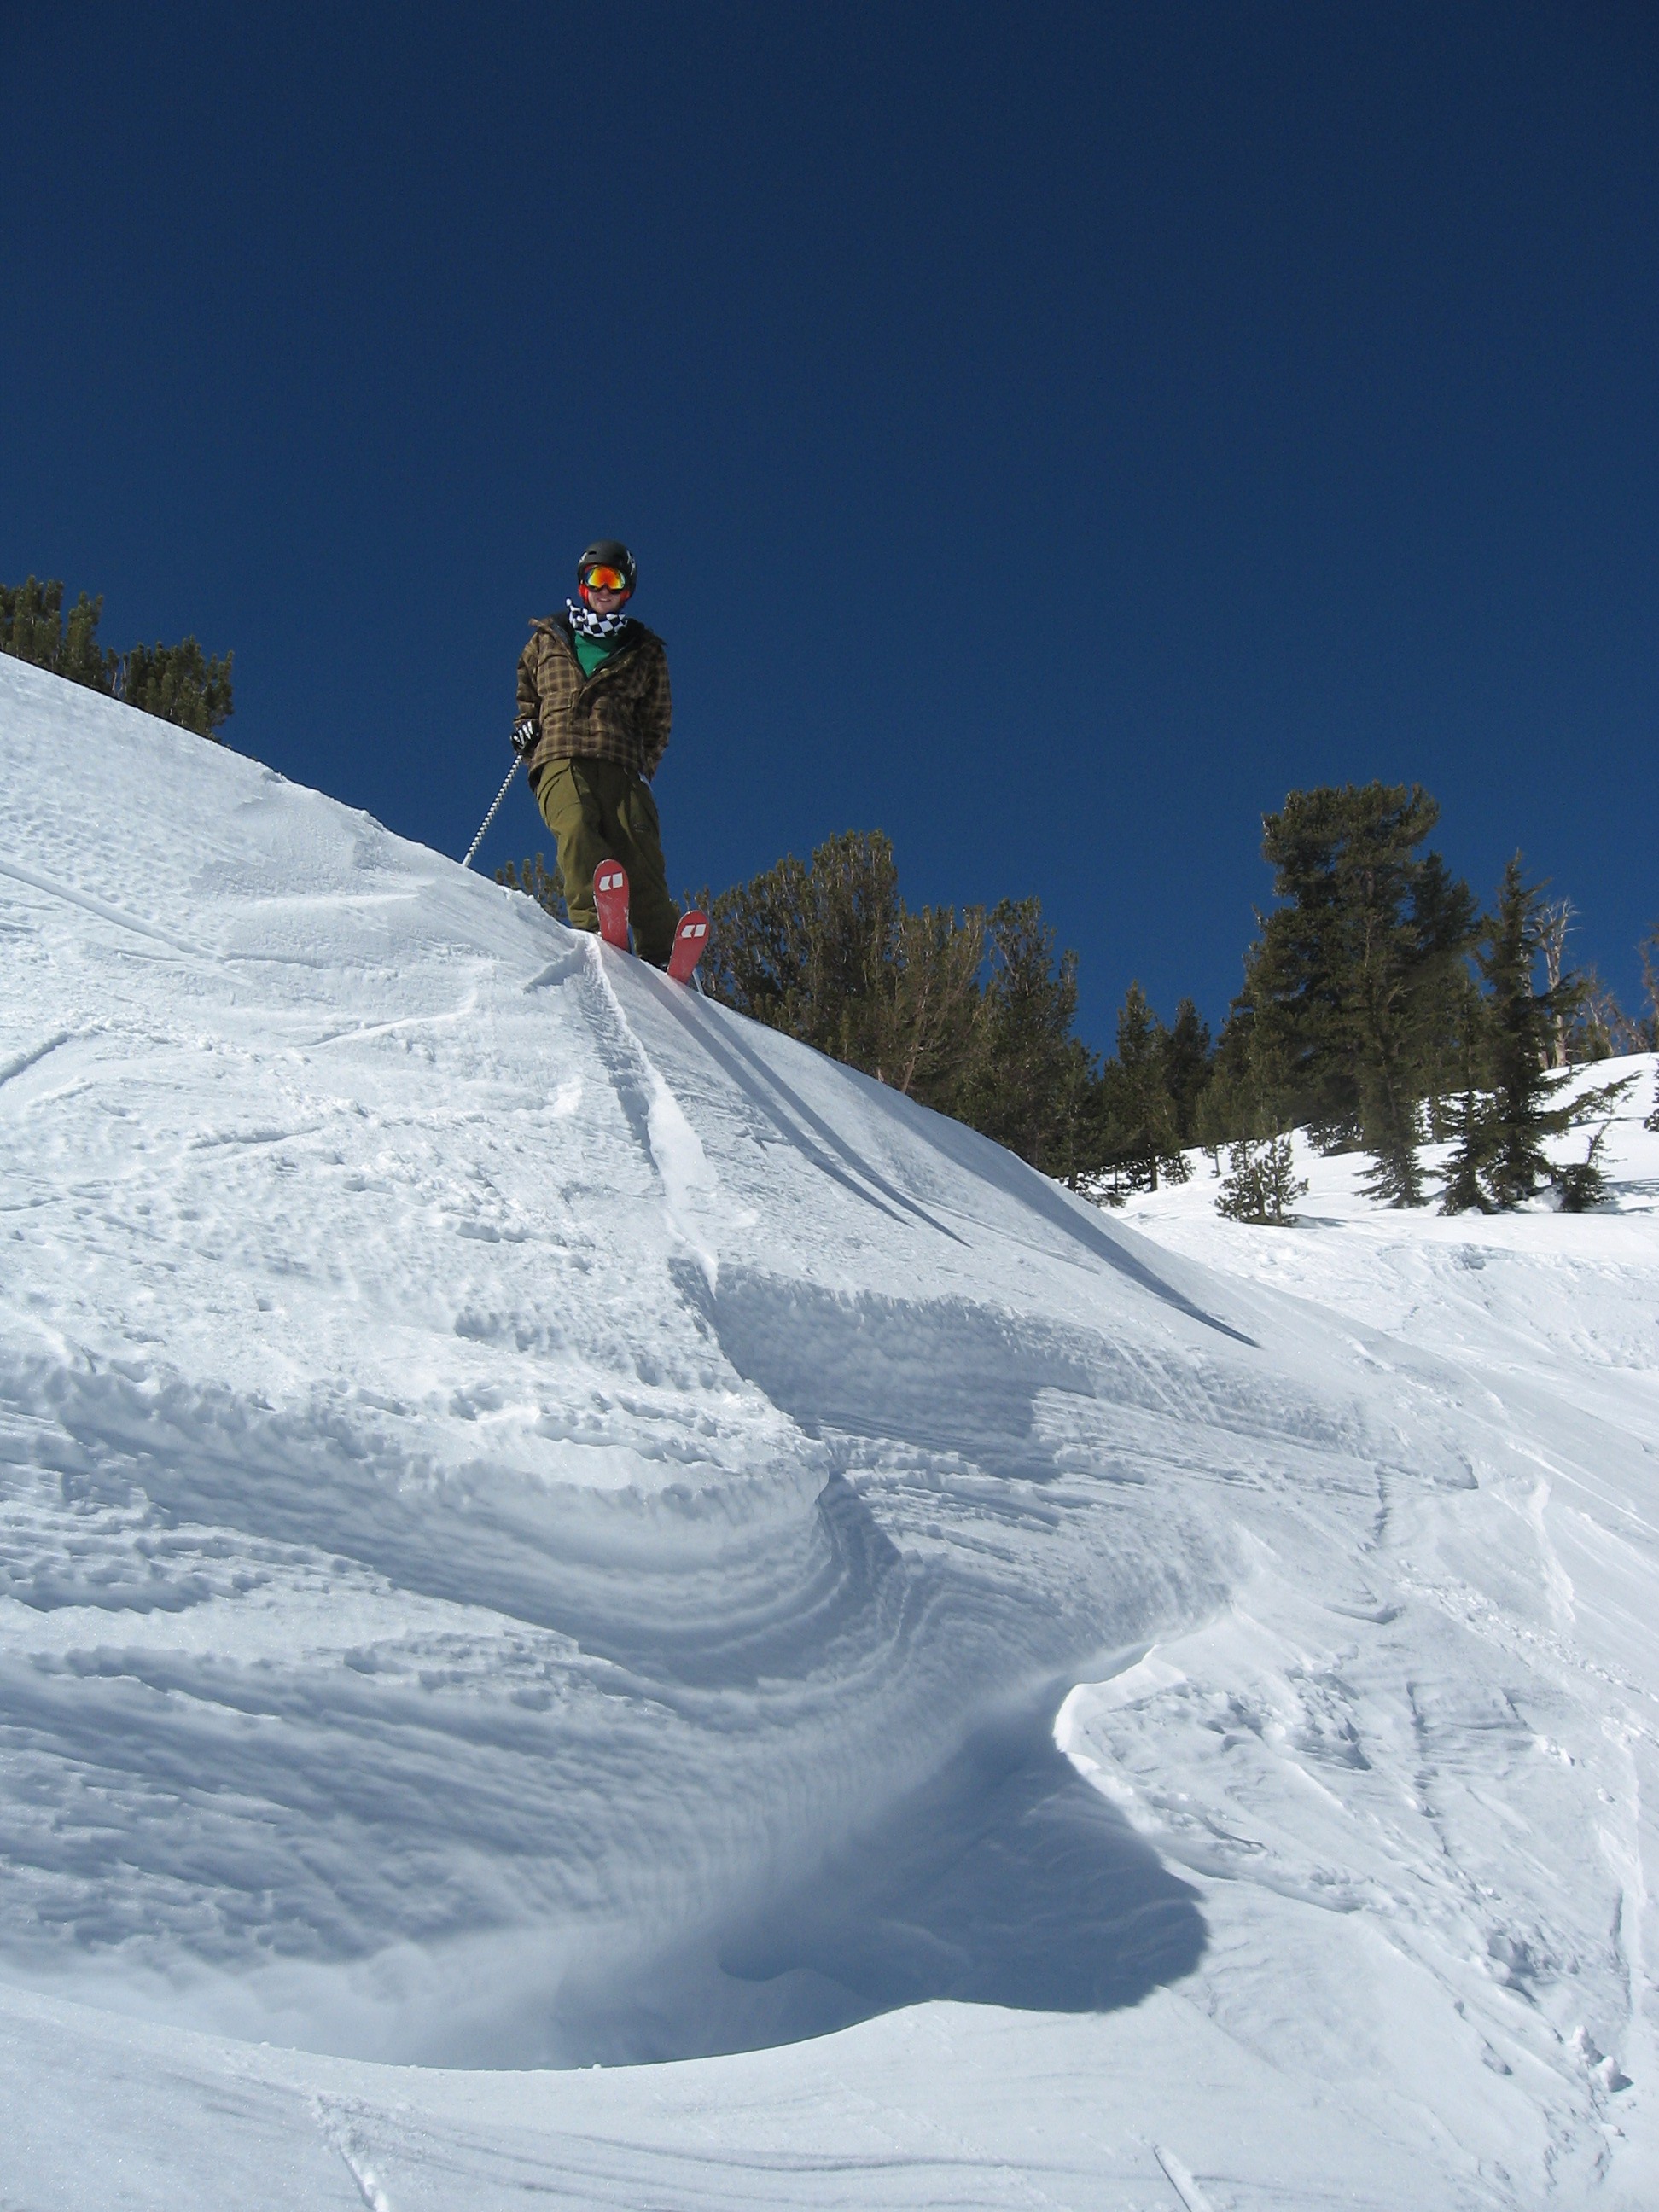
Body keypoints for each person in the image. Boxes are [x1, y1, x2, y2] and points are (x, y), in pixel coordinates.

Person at [512, 539, 678, 964]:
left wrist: (644, 765)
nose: (604, 589)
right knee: (577, 827)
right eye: (595, 579)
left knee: (639, 853)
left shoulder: (644, 650)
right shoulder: (547, 639)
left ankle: (662, 951)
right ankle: (595, 924)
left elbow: (657, 720)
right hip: (560, 753)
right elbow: (527, 699)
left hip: (621, 762)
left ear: (627, 590)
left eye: (614, 580)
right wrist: (525, 728)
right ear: (583, 586)